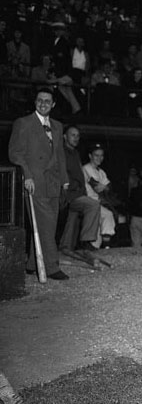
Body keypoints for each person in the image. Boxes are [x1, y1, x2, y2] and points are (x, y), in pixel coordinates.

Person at [8, 87, 70, 280]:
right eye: (39, 100)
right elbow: (15, 153)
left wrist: (65, 180)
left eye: (47, 101)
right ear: (35, 102)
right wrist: (27, 176)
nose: (43, 104)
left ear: (53, 104)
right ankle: (52, 267)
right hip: (34, 182)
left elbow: (60, 155)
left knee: (49, 226)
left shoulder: (58, 126)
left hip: (53, 182)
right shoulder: (23, 123)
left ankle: (32, 264)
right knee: (46, 223)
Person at [58, 125, 101, 254]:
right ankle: (86, 241)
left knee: (71, 221)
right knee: (93, 205)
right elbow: (59, 172)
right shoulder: (61, 152)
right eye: (73, 135)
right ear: (64, 136)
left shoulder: (75, 153)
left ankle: (65, 248)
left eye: (77, 135)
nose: (76, 138)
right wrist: (71, 186)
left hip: (77, 193)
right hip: (69, 194)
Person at [82, 143, 117, 249]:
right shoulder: (86, 168)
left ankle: (100, 250)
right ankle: (107, 247)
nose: (99, 158)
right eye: (96, 155)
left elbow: (109, 187)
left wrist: (105, 188)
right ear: (90, 156)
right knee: (108, 215)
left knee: (97, 233)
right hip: (89, 202)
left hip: (98, 203)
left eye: (101, 155)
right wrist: (105, 187)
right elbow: (97, 188)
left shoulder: (101, 172)